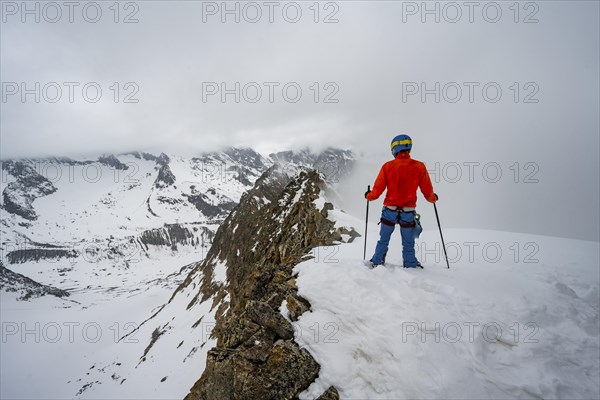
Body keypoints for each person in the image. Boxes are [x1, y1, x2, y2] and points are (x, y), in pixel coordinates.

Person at [365, 134, 438, 268]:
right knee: (408, 242)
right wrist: (433, 198)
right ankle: (410, 264)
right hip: (408, 212)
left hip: (389, 211)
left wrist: (369, 196)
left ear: (395, 149)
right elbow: (427, 191)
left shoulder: (388, 166)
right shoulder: (419, 167)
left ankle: (377, 261)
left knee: (384, 239)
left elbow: (377, 191)